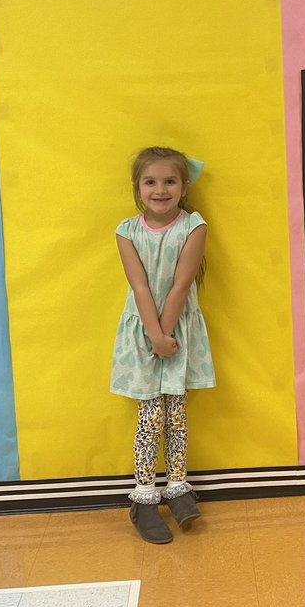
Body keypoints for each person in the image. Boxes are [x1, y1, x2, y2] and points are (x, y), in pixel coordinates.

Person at [111, 146, 216, 544]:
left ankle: (177, 486)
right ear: (138, 188)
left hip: (177, 331)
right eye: (150, 182)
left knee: (176, 413)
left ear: (183, 186)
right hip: (144, 333)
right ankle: (143, 497)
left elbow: (181, 284)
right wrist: (155, 336)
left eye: (169, 181)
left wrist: (167, 335)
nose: (160, 189)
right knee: (150, 417)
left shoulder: (194, 226)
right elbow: (139, 284)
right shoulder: (127, 231)